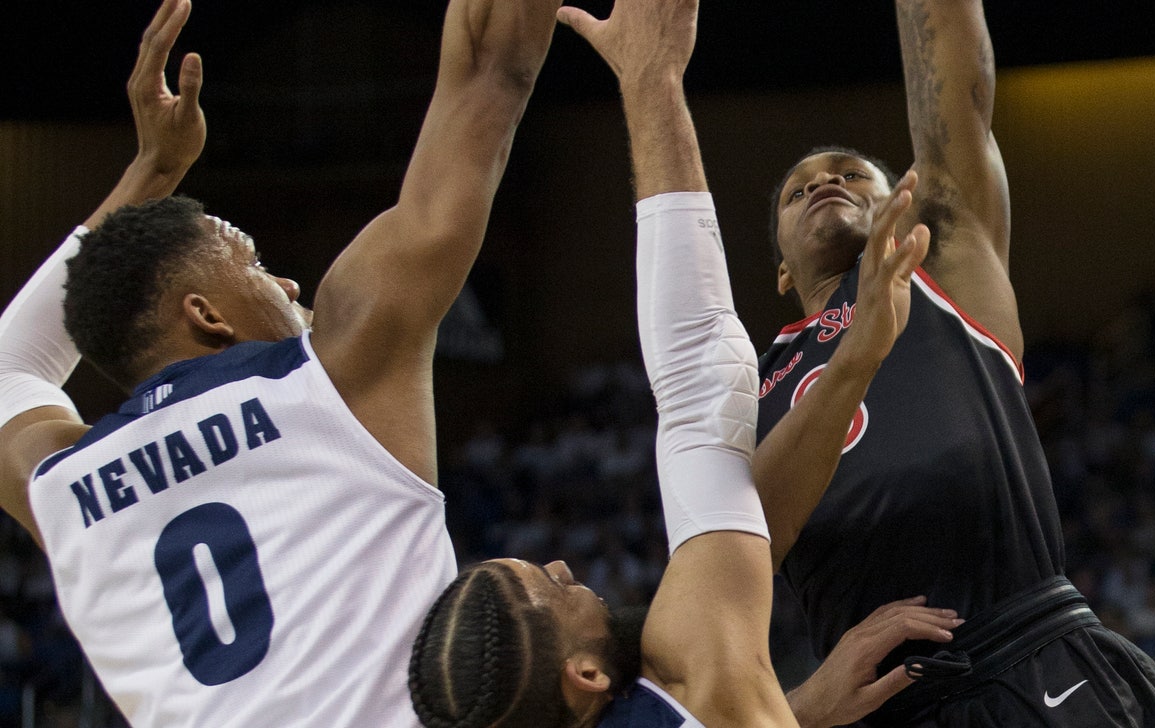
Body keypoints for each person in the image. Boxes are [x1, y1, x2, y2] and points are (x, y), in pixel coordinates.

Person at [0, 0, 561, 725]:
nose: (289, 284)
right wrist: (154, 170)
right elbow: (492, 68)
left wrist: (153, 170)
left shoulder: (61, 486)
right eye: (256, 263)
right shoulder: (333, 380)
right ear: (206, 314)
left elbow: (14, 360)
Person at [407, 2, 957, 727]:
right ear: (583, 673)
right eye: (549, 589)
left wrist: (791, 711)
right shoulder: (684, 662)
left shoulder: (693, 697)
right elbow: (700, 376)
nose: (566, 571)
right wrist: (652, 77)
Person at [753, 1, 1155, 725]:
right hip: (883, 702)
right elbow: (721, 574)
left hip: (1034, 659)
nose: (826, 182)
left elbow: (955, 82)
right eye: (800, 190)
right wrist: (796, 709)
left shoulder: (943, 267)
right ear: (778, 272)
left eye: (855, 176)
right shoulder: (748, 380)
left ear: (907, 205)